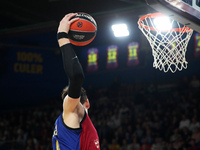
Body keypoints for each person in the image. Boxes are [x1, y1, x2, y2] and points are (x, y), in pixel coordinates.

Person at [52, 13, 100, 150]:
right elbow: (77, 77)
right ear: (87, 103)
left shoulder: (80, 126)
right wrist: (62, 36)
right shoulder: (73, 109)